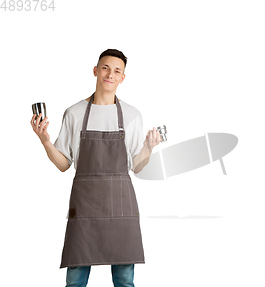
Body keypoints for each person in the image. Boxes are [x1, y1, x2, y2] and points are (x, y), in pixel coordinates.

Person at [30, 49, 161, 287]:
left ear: (123, 77)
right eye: (105, 68)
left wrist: (149, 148)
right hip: (85, 208)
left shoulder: (132, 115)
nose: (110, 74)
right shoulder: (75, 113)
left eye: (117, 70)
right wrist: (46, 141)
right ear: (95, 70)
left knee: (124, 281)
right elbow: (63, 164)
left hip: (121, 206)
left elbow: (138, 168)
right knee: (75, 281)